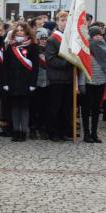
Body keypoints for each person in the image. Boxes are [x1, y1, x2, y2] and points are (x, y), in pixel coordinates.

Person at [0, 21, 37, 142]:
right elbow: (5, 65)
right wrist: (5, 82)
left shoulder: (32, 46)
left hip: (26, 82)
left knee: (25, 107)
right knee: (15, 107)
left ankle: (24, 131)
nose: (20, 32)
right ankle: (16, 131)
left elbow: (35, 66)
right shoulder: (10, 46)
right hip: (13, 81)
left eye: (22, 30)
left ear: (27, 31)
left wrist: (33, 83)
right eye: (18, 30)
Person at [43, 11, 73, 141]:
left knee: (66, 107)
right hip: (56, 78)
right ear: (57, 22)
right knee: (55, 107)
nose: (65, 23)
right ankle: (53, 132)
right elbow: (50, 59)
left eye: (67, 20)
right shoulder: (52, 39)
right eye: (62, 20)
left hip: (68, 78)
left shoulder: (71, 38)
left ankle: (63, 131)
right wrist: (67, 62)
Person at [82, 26, 106, 143]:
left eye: (100, 34)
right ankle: (86, 133)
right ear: (91, 36)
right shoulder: (86, 47)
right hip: (88, 82)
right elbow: (82, 66)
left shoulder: (105, 47)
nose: (98, 36)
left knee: (96, 109)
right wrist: (81, 83)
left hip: (101, 81)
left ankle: (94, 133)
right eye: (95, 35)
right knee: (86, 109)